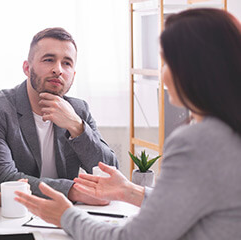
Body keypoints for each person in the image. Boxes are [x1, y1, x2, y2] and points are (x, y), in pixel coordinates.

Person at [15, 8, 241, 240]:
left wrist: (66, 215)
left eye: (166, 62)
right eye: (49, 60)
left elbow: (134, 236)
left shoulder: (197, 141)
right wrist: (130, 191)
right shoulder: (227, 133)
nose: (162, 75)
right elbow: (182, 202)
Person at [0, 27, 117, 203]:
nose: (58, 70)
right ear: (27, 68)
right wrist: (73, 192)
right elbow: (2, 179)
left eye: (67, 63)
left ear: (73, 74)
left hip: (64, 215)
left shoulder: (78, 110)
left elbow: (110, 171)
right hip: (7, 216)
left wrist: (76, 126)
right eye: (49, 60)